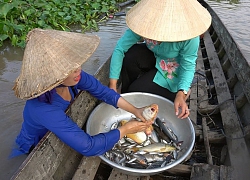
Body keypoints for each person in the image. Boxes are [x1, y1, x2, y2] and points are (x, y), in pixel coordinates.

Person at [11, 28, 152, 157]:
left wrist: (136, 110)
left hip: (59, 127)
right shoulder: (42, 108)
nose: (78, 69)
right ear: (52, 78)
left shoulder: (73, 77)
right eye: (69, 68)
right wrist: (125, 130)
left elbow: (102, 91)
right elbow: (89, 147)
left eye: (76, 63)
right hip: (31, 148)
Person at [109, 0, 212, 119]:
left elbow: (188, 66)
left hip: (172, 69)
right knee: (131, 55)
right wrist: (113, 85)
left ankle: (181, 92)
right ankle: (126, 95)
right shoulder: (145, 22)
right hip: (155, 56)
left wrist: (181, 93)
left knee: (137, 91)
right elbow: (120, 48)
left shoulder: (189, 36)